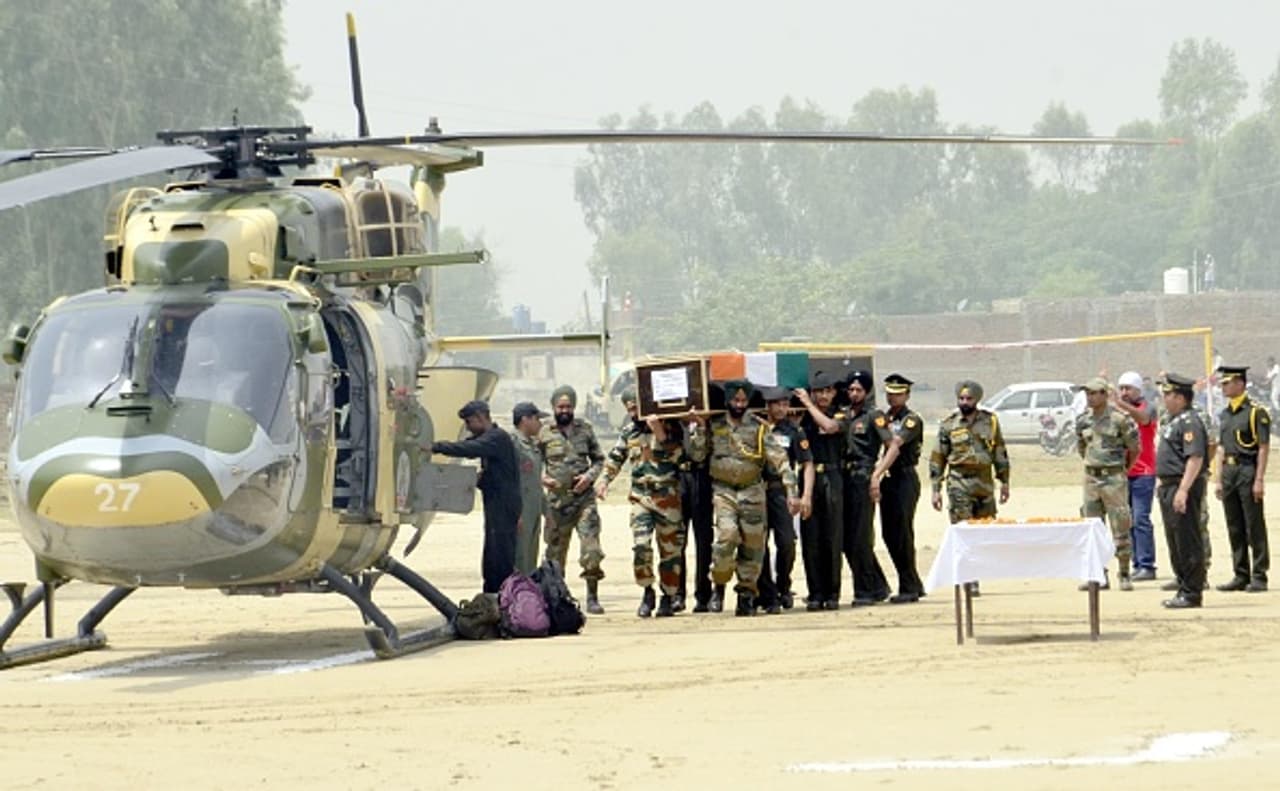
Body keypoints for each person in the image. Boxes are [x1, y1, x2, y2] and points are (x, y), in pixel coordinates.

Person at [687, 379, 799, 615]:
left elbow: (779, 459)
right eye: (735, 400)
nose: (739, 404)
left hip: (752, 491)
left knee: (753, 546)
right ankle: (719, 581)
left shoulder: (758, 427)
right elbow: (697, 456)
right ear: (727, 401)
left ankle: (746, 594)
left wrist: (792, 491)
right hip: (724, 492)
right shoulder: (714, 425)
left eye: (743, 400)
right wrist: (699, 429)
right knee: (726, 537)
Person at [596, 388, 689, 617]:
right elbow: (615, 458)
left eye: (637, 408)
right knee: (641, 546)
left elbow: (684, 461)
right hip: (641, 498)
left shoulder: (671, 427)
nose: (633, 413)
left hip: (668, 499)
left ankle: (668, 596)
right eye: (629, 409)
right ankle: (647, 591)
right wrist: (604, 481)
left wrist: (660, 434)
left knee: (670, 553)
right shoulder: (629, 432)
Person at [929, 379, 1010, 596]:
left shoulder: (990, 422)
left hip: (984, 483)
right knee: (963, 530)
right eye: (961, 398)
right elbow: (938, 457)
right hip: (959, 482)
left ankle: (977, 573)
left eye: (969, 398)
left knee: (984, 531)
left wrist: (1004, 481)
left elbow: (999, 451)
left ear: (977, 400)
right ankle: (968, 578)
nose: (964, 402)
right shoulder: (949, 424)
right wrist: (936, 489)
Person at [431, 400, 520, 593]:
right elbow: (469, 447)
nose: (468, 427)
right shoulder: (491, 439)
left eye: (469, 422)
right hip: (496, 507)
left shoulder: (497, 438)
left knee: (500, 558)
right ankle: (493, 595)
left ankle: (502, 598)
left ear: (480, 417)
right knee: (492, 557)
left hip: (503, 508)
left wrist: (434, 447)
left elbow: (468, 449)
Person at [538, 385, 607, 614]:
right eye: (560, 407)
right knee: (555, 554)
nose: (564, 410)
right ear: (553, 407)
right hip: (557, 503)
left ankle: (592, 596)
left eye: (568, 406)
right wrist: (542, 479)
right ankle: (557, 598)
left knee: (591, 550)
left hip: (584, 501)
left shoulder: (585, 429)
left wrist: (589, 478)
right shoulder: (544, 432)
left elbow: (599, 459)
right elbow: (531, 461)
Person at [1074, 377, 1139, 591]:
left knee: (1121, 526)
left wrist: (1123, 469)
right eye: (1087, 393)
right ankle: (1099, 575)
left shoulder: (1120, 419)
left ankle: (1125, 573)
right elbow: (1082, 447)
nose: (1090, 397)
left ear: (1105, 394)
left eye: (1094, 393)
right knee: (1093, 528)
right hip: (1091, 479)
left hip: (1114, 479)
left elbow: (1134, 448)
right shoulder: (1083, 420)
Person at [1213, 365, 1271, 593]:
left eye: (1227, 383)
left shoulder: (1256, 412)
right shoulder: (1225, 414)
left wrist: (1259, 479)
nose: (1223, 387)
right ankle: (1240, 573)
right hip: (1229, 470)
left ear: (1240, 383)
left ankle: (1259, 575)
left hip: (1247, 469)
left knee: (1253, 524)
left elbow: (1263, 447)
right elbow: (1221, 448)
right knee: (1234, 525)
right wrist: (1218, 479)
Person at [756, 386, 814, 614]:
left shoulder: (793, 431)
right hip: (757, 492)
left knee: (787, 542)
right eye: (777, 404)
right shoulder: (756, 428)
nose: (782, 409)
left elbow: (806, 462)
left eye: (785, 404)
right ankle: (766, 592)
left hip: (781, 492)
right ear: (768, 406)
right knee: (758, 544)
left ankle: (783, 585)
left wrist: (801, 495)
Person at [870, 373, 927, 604]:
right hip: (889, 480)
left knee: (902, 533)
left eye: (898, 394)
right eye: (890, 394)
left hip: (904, 477)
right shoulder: (884, 418)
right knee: (889, 533)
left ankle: (908, 586)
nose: (893, 398)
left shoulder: (911, 420)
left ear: (907, 395)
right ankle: (914, 582)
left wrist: (876, 473)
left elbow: (895, 444)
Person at [794, 371, 846, 611]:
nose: (823, 395)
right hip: (808, 478)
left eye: (827, 391)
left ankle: (832, 593)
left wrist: (808, 404)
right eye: (818, 391)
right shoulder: (803, 417)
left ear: (833, 392)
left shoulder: (840, 413)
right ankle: (815, 592)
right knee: (811, 538)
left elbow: (830, 426)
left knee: (832, 537)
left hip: (832, 477)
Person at [1156, 373, 1209, 608]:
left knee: (1187, 539)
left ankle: (1192, 592)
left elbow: (1195, 457)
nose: (1164, 398)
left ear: (1180, 397)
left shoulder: (1190, 422)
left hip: (1181, 485)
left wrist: (1183, 489)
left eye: (1168, 394)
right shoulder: (1173, 421)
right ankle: (1183, 586)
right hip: (1169, 485)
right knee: (1175, 539)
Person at [841, 370, 892, 606]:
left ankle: (865, 591)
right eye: (851, 389)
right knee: (847, 539)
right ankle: (878, 586)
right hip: (845, 477)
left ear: (867, 391)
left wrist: (877, 475)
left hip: (863, 476)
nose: (854, 393)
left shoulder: (874, 415)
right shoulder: (844, 414)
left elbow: (892, 446)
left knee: (861, 537)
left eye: (858, 390)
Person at [1114, 370, 1159, 581]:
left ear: (1138, 390)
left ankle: (1147, 564)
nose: (1124, 392)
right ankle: (1136, 563)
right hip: (1123, 472)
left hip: (1143, 473)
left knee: (1141, 519)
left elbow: (1143, 418)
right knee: (1128, 520)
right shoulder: (1120, 412)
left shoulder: (1147, 407)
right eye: (1121, 388)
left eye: (1128, 388)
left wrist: (1121, 405)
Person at [511, 401, 549, 575]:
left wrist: (547, 512)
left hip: (534, 510)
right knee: (520, 557)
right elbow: (510, 482)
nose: (540, 423)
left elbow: (535, 484)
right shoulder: (514, 444)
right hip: (521, 511)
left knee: (530, 557)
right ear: (525, 419)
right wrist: (515, 512)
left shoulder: (533, 447)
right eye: (536, 419)